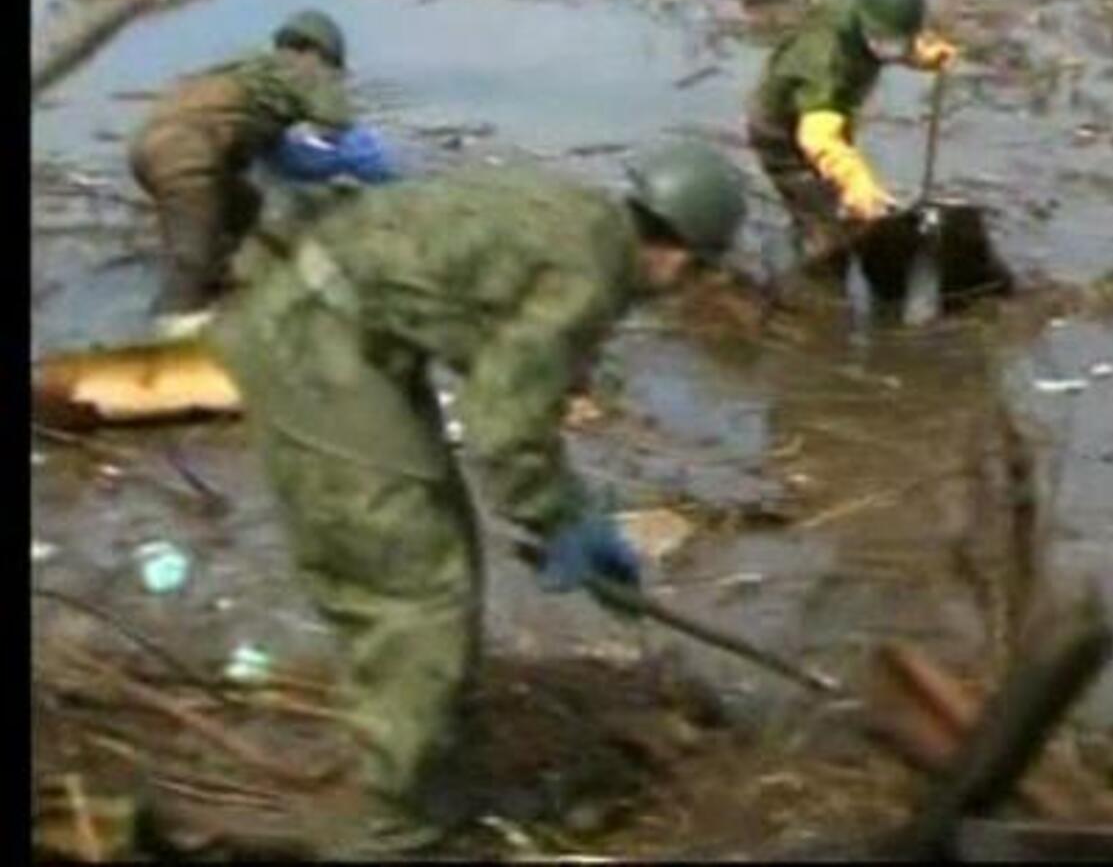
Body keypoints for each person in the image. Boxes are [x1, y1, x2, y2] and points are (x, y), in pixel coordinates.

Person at [199, 143, 748, 854]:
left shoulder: (583, 219)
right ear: (679, 253)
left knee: (443, 542)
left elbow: (488, 340)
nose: (682, 288)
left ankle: (423, 755)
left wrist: (567, 504)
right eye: (696, 271)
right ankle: (401, 830)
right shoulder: (590, 274)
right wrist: (562, 523)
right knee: (412, 589)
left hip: (341, 329)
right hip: (313, 347)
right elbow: (503, 424)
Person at [128, 10, 396, 337]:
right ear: (320, 53)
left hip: (145, 147)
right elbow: (337, 120)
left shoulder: (246, 68)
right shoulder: (306, 67)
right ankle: (170, 339)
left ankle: (221, 283)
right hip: (187, 154)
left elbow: (249, 127)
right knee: (190, 260)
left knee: (245, 204)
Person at [745, 0, 958, 275]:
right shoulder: (826, 57)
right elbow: (817, 137)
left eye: (902, 40)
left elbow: (893, 43)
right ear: (865, 26)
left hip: (831, 114)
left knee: (845, 203)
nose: (895, 49)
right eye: (890, 42)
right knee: (826, 220)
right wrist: (854, 181)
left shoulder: (871, 14)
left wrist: (920, 55)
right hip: (783, 132)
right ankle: (815, 284)